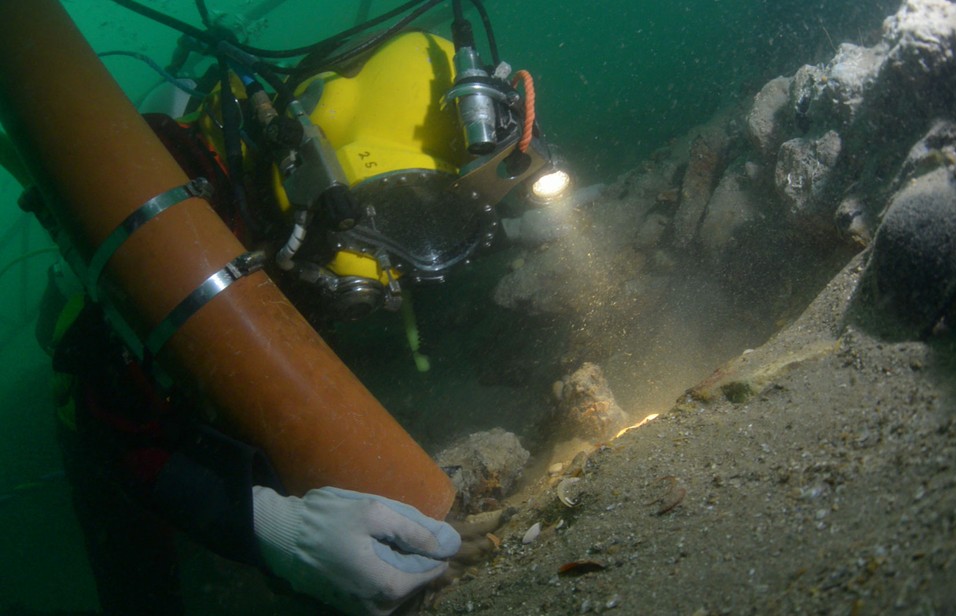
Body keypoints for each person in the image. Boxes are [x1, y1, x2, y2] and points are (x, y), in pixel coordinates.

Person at [12, 1, 570, 614]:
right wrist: (269, 525)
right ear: (313, 175)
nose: (408, 267)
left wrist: (522, 224)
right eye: (399, 220)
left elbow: (462, 217)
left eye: (438, 218)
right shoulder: (180, 200)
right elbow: (107, 419)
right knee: (140, 575)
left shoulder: (401, 197)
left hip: (273, 309)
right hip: (122, 381)